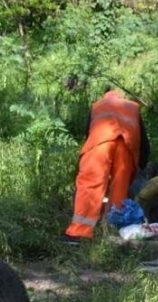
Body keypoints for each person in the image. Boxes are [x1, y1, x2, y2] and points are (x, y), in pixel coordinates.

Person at [61, 87, 150, 244]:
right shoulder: (132, 107)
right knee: (119, 190)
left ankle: (79, 233)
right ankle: (112, 230)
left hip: (101, 141)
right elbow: (144, 142)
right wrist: (139, 166)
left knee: (90, 183)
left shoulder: (98, 105)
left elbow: (89, 134)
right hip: (127, 147)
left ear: (105, 95)